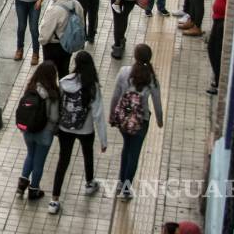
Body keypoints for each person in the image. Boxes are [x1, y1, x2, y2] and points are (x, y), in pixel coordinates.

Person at [49, 50, 108, 215]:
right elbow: (98, 114)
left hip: (65, 128)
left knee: (63, 161)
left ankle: (54, 200)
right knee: (87, 155)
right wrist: (103, 141)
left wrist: (54, 124)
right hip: (86, 129)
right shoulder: (93, 86)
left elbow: (57, 104)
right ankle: (89, 183)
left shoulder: (64, 82)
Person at [110, 44, 165, 199]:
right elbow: (157, 102)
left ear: (135, 56)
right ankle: (126, 189)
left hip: (123, 119)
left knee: (126, 148)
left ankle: (121, 182)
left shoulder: (124, 72)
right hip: (141, 121)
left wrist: (112, 114)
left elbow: (115, 96)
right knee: (134, 153)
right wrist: (160, 120)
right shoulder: (151, 78)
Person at [16, 62, 60, 201]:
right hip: (44, 133)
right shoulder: (52, 93)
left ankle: (22, 184)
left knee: (30, 155)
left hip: (28, 131)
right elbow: (54, 117)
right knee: (39, 161)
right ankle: (34, 189)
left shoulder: (31, 88)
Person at [39, 0, 83, 80]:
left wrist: (41, 41)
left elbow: (45, 36)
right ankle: (64, 92)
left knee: (48, 74)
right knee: (64, 71)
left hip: (53, 47)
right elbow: (82, 23)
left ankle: (51, 93)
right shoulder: (76, 4)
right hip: (67, 44)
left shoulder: (54, 10)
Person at [206, 0, 230, 95]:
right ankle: (217, 76)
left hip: (223, 21)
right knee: (212, 49)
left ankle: (219, 80)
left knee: (216, 49)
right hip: (217, 20)